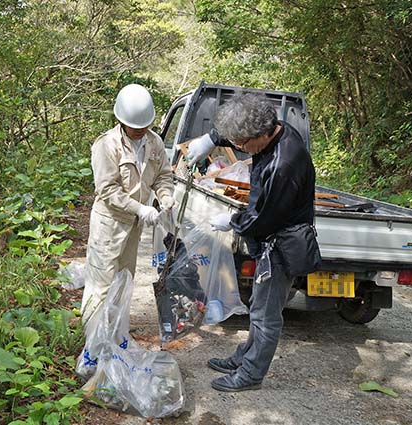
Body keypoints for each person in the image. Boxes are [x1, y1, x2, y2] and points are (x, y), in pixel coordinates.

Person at [186, 93, 316, 392]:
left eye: (243, 145)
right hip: (272, 232)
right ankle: (244, 357)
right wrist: (210, 139)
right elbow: (240, 130)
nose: (240, 150)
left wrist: (231, 221)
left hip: (282, 242)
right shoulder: (273, 129)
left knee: (266, 315)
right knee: (259, 304)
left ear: (261, 135)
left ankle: (251, 374)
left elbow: (263, 219)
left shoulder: (284, 164)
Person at [81, 84, 175, 322]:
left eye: (144, 126)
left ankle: (116, 334)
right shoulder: (107, 145)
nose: (139, 131)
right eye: (134, 127)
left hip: (133, 226)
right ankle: (93, 343)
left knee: (124, 281)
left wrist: (165, 196)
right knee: (101, 284)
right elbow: (107, 189)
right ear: (122, 121)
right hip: (109, 224)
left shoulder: (154, 143)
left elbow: (163, 175)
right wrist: (141, 208)